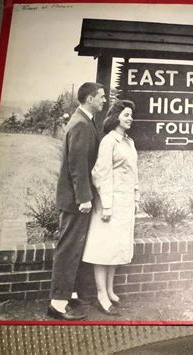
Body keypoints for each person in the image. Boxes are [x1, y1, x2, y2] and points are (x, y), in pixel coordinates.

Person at [48, 82, 106, 320]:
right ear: (90, 98)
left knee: (74, 248)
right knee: (68, 248)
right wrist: (84, 198)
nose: (104, 100)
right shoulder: (81, 124)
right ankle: (57, 305)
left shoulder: (84, 120)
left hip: (75, 199)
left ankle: (68, 294)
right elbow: (77, 166)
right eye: (101, 97)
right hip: (75, 200)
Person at [82, 100, 140, 316]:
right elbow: (100, 174)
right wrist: (106, 205)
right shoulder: (109, 141)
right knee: (104, 248)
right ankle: (101, 295)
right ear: (116, 117)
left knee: (116, 248)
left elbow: (134, 172)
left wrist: (136, 198)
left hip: (124, 204)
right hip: (109, 204)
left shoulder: (129, 142)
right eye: (126, 115)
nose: (130, 118)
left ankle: (110, 289)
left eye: (131, 115)